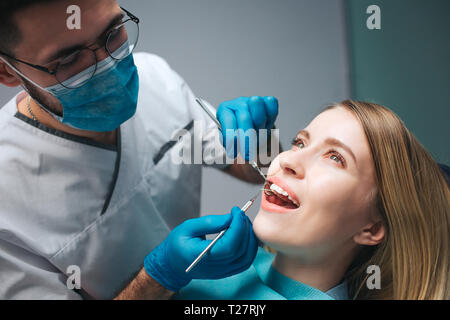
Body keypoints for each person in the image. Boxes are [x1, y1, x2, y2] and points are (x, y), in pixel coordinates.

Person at [0, 1, 279, 299]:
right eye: (69, 60)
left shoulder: (157, 78)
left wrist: (262, 141)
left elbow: (251, 168)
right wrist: (160, 274)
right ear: (7, 72)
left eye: (114, 32)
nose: (110, 67)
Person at [172, 100, 449, 300]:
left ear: (371, 228)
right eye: (300, 143)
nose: (287, 159)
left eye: (335, 158)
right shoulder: (227, 268)